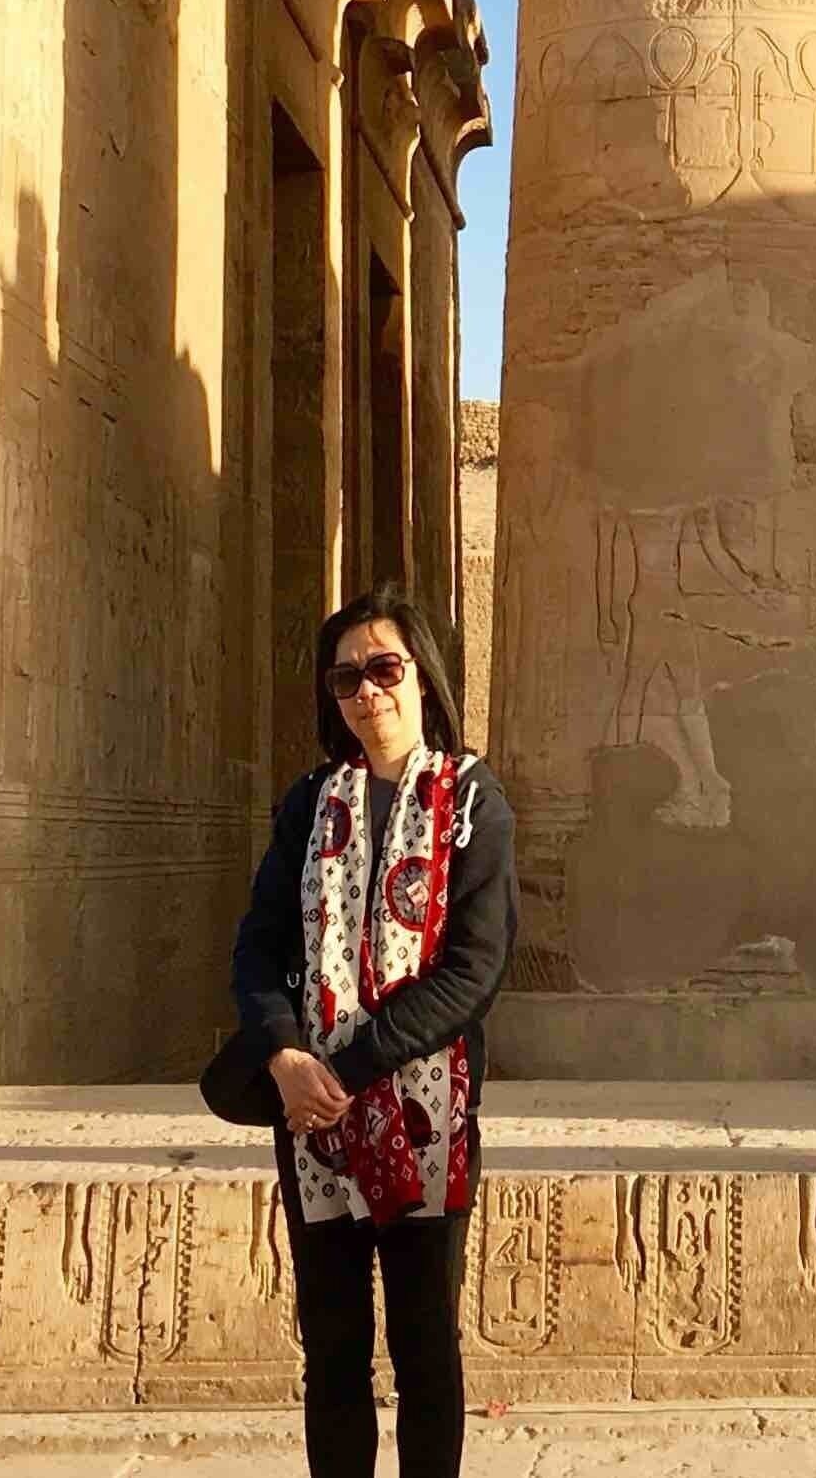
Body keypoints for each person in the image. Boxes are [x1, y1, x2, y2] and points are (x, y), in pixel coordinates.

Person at [234, 588, 517, 1478]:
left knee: (426, 1347)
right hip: (314, 1117)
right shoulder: (311, 801)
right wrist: (284, 1053)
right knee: (333, 1350)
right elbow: (258, 943)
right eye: (348, 677)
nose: (369, 692)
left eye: (385, 669)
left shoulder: (474, 801)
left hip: (422, 1115)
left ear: (422, 678)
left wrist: (347, 1065)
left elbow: (473, 971)